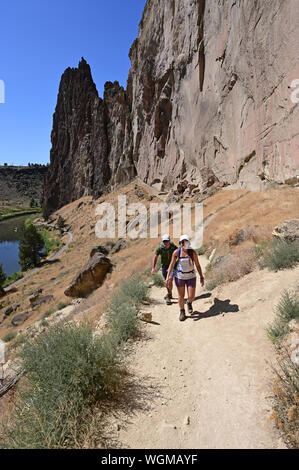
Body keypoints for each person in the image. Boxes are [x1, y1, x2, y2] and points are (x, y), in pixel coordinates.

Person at [166, 234, 204, 321]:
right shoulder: (176, 252)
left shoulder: (192, 252)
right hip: (180, 276)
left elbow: (197, 265)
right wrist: (168, 277)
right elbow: (171, 265)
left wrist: (201, 276)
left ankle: (189, 302)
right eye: (182, 242)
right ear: (180, 243)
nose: (184, 244)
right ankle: (182, 311)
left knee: (191, 296)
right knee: (181, 295)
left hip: (191, 276)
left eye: (186, 242)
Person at [152, 234, 177, 305]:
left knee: (170, 279)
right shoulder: (160, 248)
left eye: (167, 241)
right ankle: (170, 293)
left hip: (172, 266)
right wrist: (153, 268)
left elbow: (178, 253)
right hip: (164, 266)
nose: (165, 243)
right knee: (167, 281)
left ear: (169, 240)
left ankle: (168, 295)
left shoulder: (173, 246)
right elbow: (155, 257)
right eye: (164, 241)